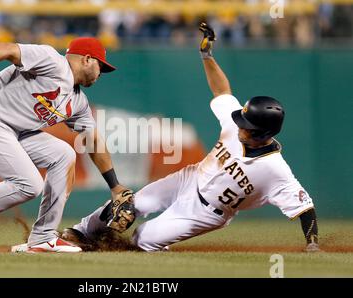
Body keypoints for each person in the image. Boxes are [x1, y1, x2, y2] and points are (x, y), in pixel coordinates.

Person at [60, 23, 320, 253]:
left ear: (264, 133)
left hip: (207, 212)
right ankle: (81, 231)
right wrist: (206, 56)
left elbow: (305, 208)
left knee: (143, 238)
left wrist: (312, 244)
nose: (239, 126)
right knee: (129, 203)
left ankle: (133, 248)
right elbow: (222, 91)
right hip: (189, 178)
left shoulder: (275, 170)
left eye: (247, 126)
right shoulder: (234, 124)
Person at [0, 37, 131, 253]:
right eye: (101, 66)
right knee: (29, 184)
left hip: (16, 132)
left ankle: (43, 237)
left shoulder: (78, 102)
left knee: (63, 155)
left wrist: (115, 186)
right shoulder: (52, 61)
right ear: (87, 59)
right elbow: (6, 49)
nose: (101, 73)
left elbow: (93, 141)